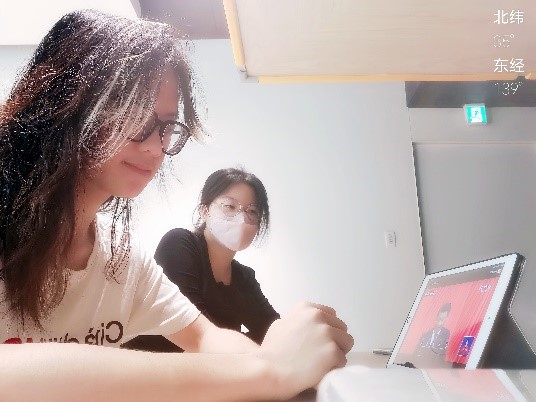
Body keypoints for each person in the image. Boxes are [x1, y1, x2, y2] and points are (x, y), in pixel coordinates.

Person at [0, 9, 353, 401]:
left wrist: (289, 363)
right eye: (137, 117)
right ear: (68, 104)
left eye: (167, 127)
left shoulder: (121, 258)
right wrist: (268, 371)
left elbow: (204, 337)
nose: (155, 148)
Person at [124, 168, 279, 352]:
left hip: (208, 367)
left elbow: (272, 329)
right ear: (204, 211)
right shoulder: (179, 244)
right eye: (230, 206)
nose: (242, 218)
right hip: (146, 362)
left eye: (252, 211)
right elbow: (193, 328)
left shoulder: (244, 277)